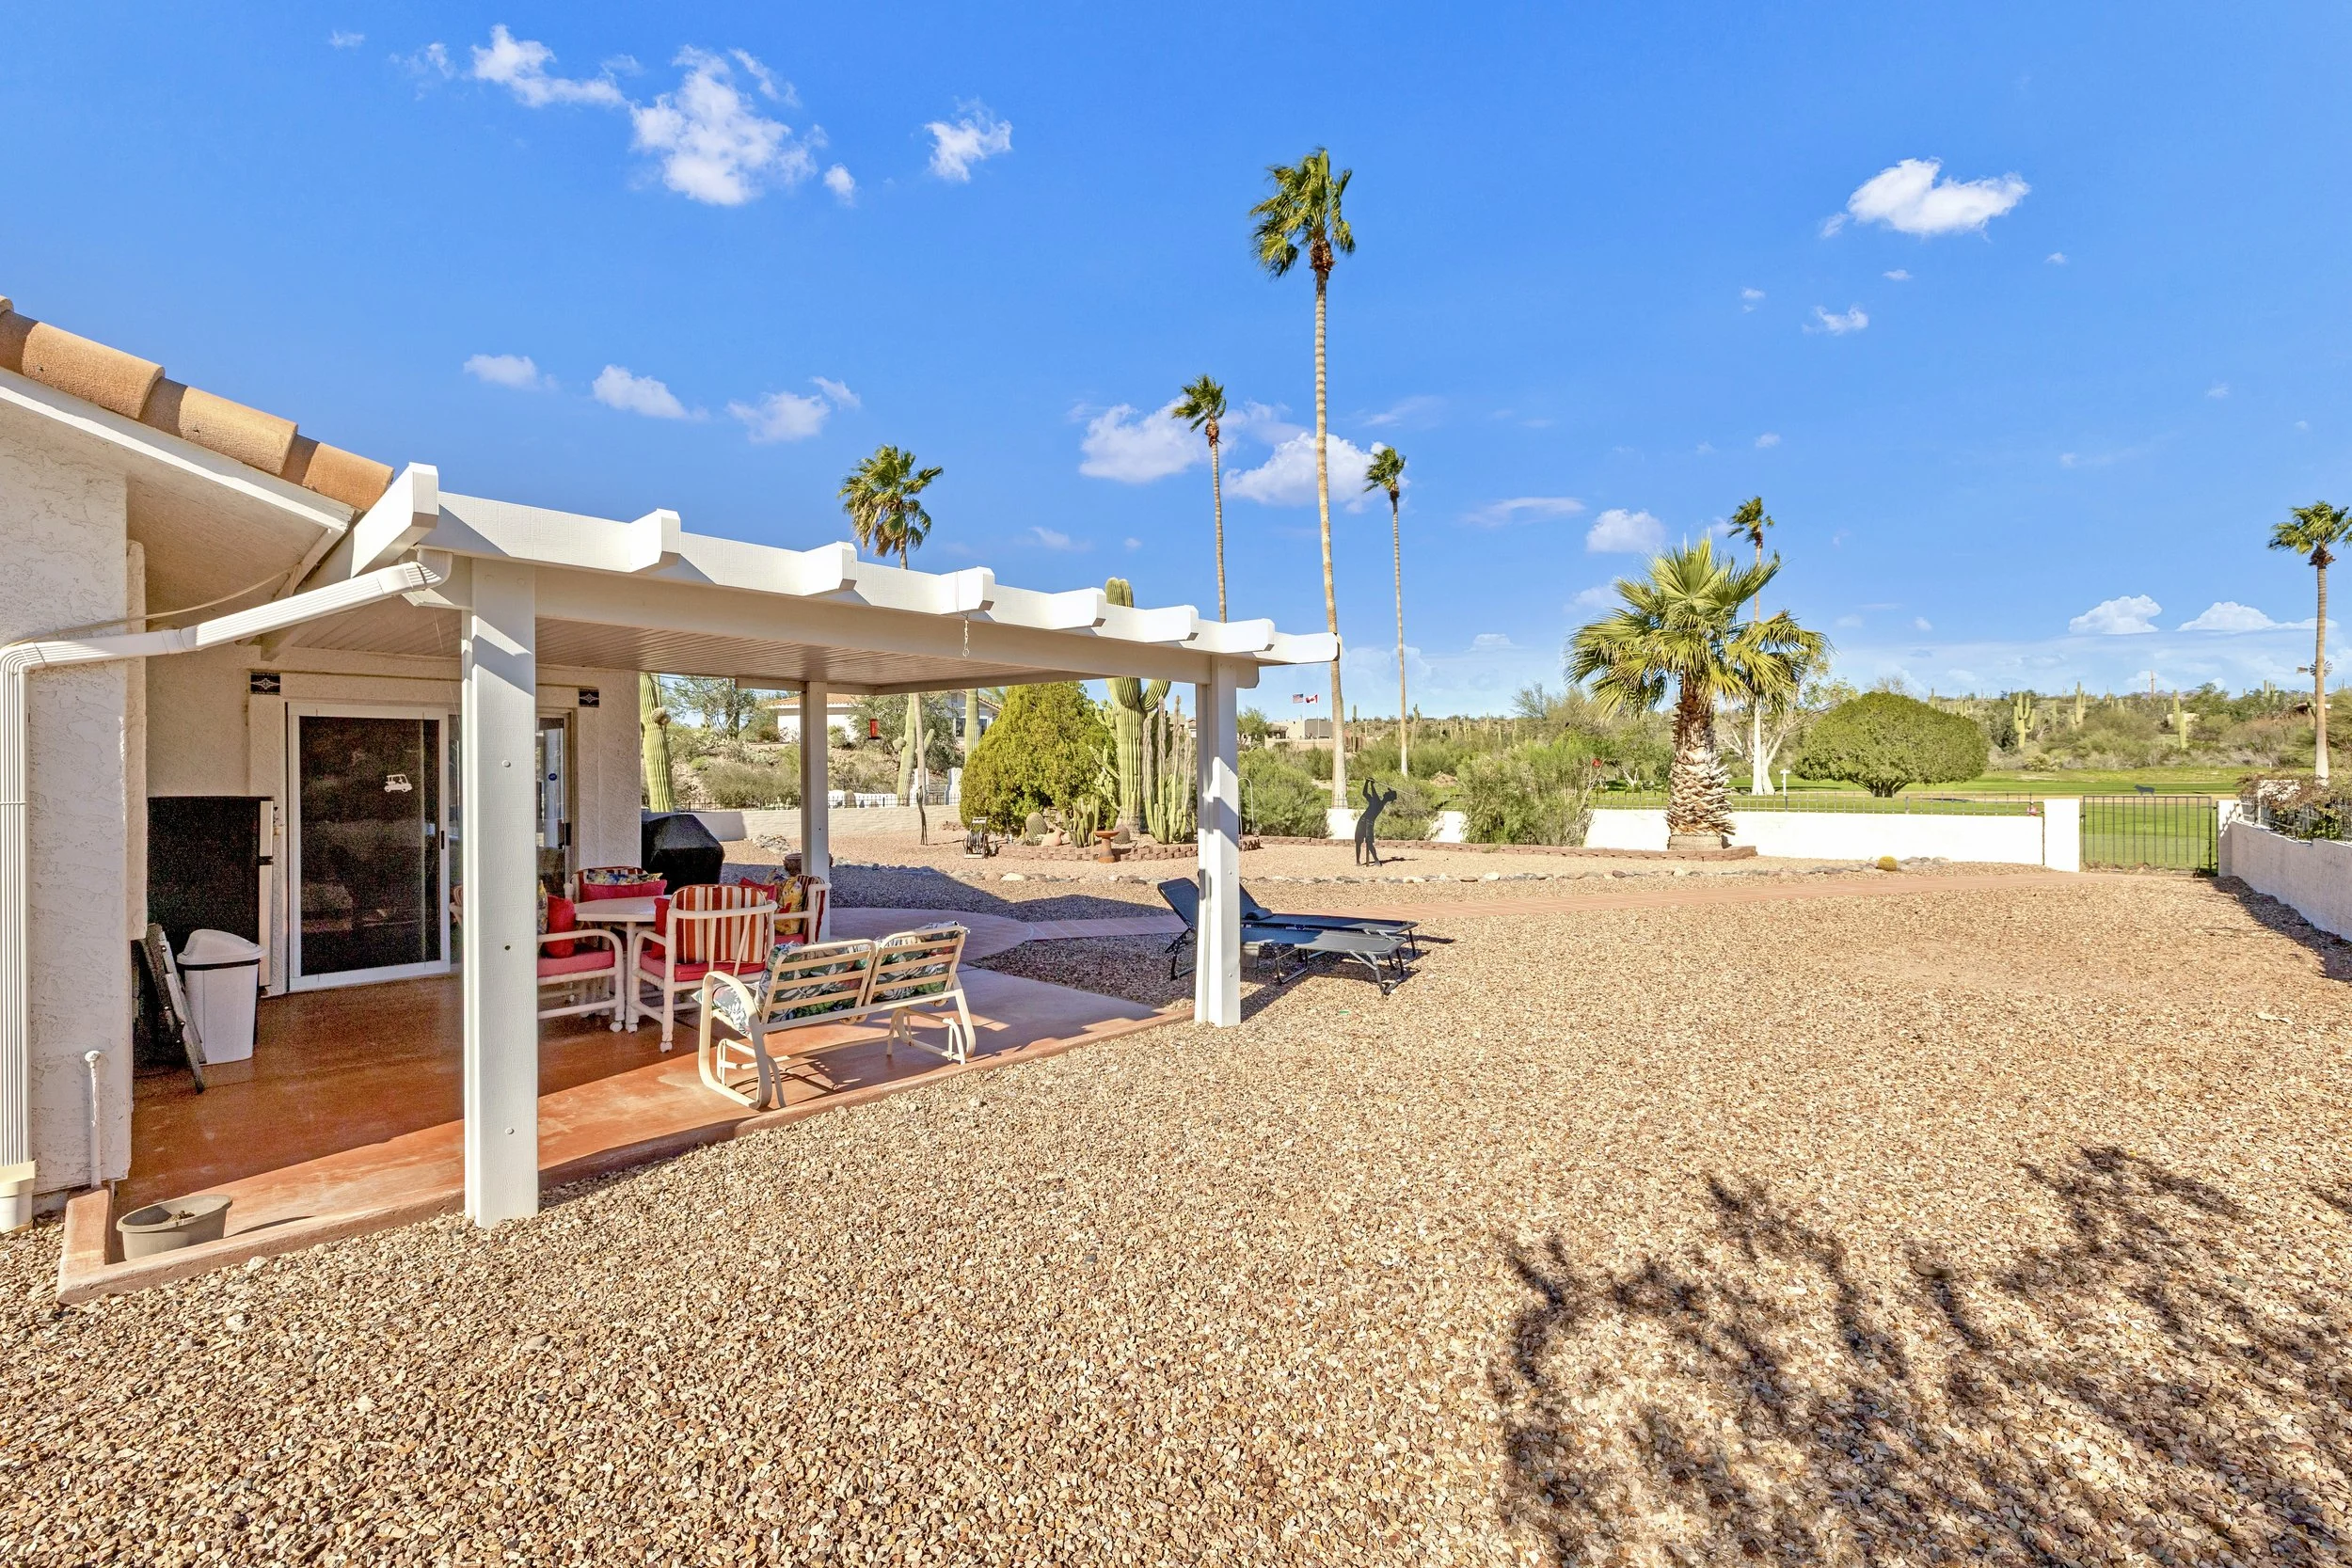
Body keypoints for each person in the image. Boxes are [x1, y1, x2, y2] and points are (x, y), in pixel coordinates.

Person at [1353, 778, 1397, 866]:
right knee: (1358, 842)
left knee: (1369, 843)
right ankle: (1358, 861)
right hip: (1362, 822)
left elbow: (1374, 794)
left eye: (1388, 793)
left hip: (1368, 823)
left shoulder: (1379, 803)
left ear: (1389, 797)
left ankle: (1376, 860)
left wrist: (1371, 784)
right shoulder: (1375, 801)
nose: (1386, 792)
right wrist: (1367, 783)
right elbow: (1365, 793)